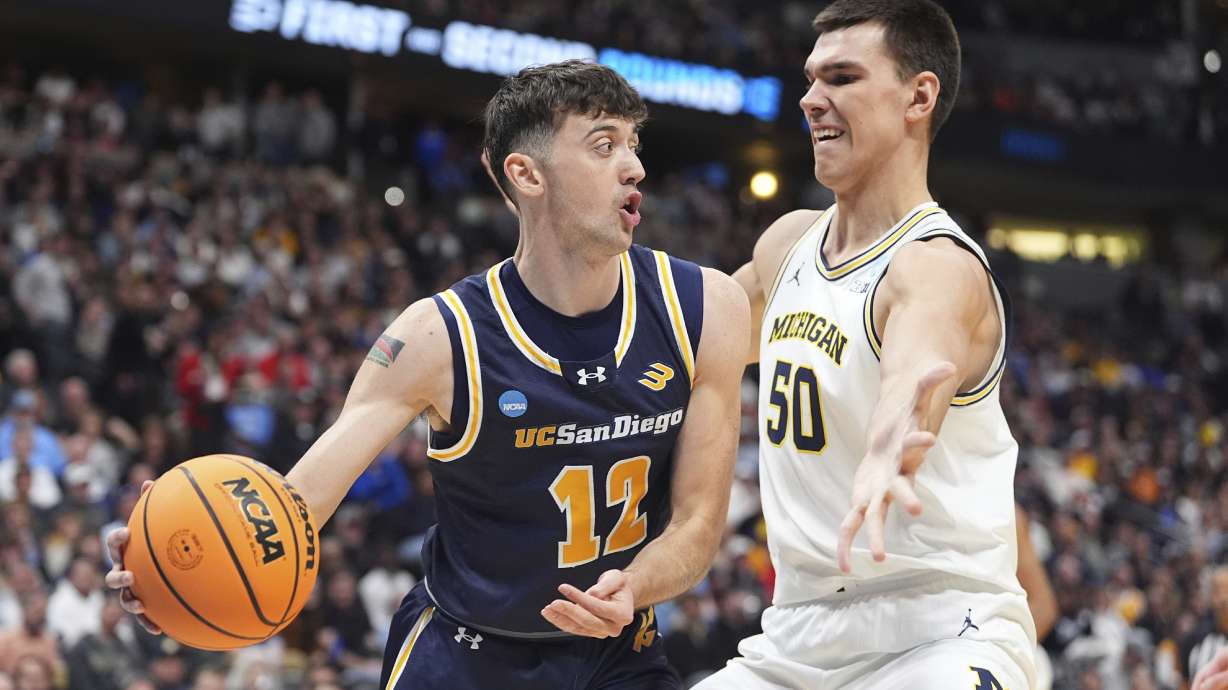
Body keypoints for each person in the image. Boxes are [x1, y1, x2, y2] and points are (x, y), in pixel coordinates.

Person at [105, 60, 749, 690]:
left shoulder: (704, 307)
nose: (634, 166)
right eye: (603, 145)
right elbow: (299, 503)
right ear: (526, 174)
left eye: (633, 144)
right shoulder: (439, 335)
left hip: (619, 652)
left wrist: (636, 585)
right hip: (466, 657)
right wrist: (178, 565)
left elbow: (697, 523)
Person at [698, 1, 1036, 688]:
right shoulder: (787, 245)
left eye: (843, 78)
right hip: (797, 632)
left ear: (918, 96)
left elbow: (915, 372)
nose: (812, 100)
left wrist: (888, 449)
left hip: (940, 630)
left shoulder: (938, 264)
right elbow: (684, 344)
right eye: (811, 79)